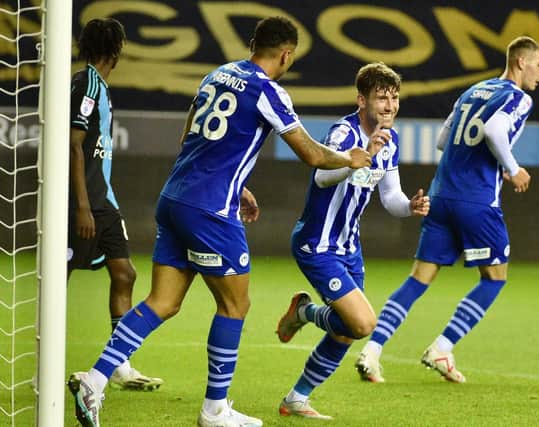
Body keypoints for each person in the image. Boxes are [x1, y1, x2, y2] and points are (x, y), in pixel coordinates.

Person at [67, 16, 371, 427]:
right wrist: (349, 158)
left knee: (163, 302)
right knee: (234, 304)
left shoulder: (216, 75)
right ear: (286, 54)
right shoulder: (270, 90)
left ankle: (96, 380)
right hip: (211, 211)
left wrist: (236, 182)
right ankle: (214, 410)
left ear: (252, 44)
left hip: (175, 198)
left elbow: (189, 137)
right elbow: (313, 155)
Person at [355, 36, 539, 384]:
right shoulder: (518, 97)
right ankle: (442, 347)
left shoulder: (473, 91)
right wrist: (512, 166)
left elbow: (443, 140)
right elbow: (493, 128)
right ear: (521, 62)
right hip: (476, 201)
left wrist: (484, 155)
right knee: (494, 278)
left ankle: (373, 350)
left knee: (418, 278)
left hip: (441, 194)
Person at [275, 62, 429, 419]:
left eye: (394, 98)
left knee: (347, 330)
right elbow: (321, 180)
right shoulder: (344, 134)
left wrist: (411, 206)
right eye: (381, 98)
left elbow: (391, 198)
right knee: (362, 324)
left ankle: (296, 398)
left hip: (348, 249)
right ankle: (305, 312)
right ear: (362, 100)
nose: (389, 106)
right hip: (318, 244)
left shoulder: (390, 140)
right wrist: (360, 159)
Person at [66, 18, 163, 393]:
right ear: (116, 51)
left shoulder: (97, 86)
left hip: (104, 200)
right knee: (59, 279)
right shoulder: (87, 83)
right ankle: (42, 363)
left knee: (124, 274)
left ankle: (119, 365)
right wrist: (82, 206)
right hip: (86, 202)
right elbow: (74, 143)